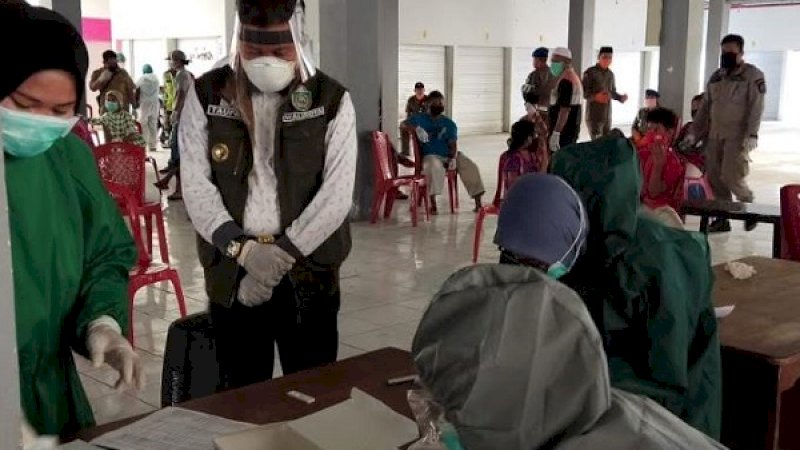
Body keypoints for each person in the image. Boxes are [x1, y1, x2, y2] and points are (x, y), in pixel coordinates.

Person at [412, 175, 725, 450]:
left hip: (667, 395)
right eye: (509, 255)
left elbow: (669, 371)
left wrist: (577, 386)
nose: (524, 271)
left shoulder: (654, 263)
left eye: (535, 265)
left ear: (572, 243)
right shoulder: (562, 246)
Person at [181, 0, 356, 390]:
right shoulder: (208, 95)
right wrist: (243, 251)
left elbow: (336, 195)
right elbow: (195, 187)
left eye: (279, 52)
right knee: (241, 391)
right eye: (254, 51)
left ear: (299, 39)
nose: (265, 61)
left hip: (309, 272)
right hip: (232, 271)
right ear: (239, 40)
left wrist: (281, 256)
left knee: (313, 388)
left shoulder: (330, 100)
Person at [1, 2, 141, 438]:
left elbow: (105, 251)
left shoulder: (68, 156)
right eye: (25, 104)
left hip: (50, 398)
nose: (40, 124)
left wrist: (103, 322)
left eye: (61, 111)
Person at [551, 136, 722, 438]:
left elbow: (668, 371)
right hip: (607, 415)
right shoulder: (584, 247)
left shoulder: (661, 257)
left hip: (668, 425)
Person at [691, 34, 765, 233]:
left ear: (741, 53)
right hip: (715, 135)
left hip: (737, 136)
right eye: (723, 52)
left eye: (731, 52)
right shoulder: (716, 77)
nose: (726, 56)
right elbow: (705, 108)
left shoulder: (752, 76)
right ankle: (722, 218)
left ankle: (750, 208)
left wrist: (752, 134)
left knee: (731, 176)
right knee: (714, 177)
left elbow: (756, 107)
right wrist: (694, 133)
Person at [404, 91, 485, 213]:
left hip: (448, 155)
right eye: (434, 103)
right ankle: (433, 203)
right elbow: (403, 124)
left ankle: (478, 203)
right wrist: (416, 128)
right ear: (427, 104)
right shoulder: (419, 118)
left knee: (470, 166)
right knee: (433, 167)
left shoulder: (449, 123)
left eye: (440, 103)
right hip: (431, 155)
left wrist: (452, 158)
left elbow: (453, 143)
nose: (438, 105)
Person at [635, 107, 686, 228]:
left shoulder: (673, 162)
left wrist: (658, 166)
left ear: (669, 133)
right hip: (640, 207)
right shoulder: (641, 154)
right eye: (649, 129)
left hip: (662, 209)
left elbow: (654, 193)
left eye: (656, 130)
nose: (651, 134)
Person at [155, 50, 193, 200]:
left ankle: (178, 189)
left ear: (176, 61)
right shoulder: (187, 75)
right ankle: (169, 181)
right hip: (186, 116)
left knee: (178, 155)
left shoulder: (181, 76)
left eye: (171, 60)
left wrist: (175, 113)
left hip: (182, 117)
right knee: (178, 154)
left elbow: (180, 95)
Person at [583, 46, 628, 140]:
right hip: (594, 116)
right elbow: (584, 92)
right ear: (599, 57)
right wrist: (596, 97)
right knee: (597, 143)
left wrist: (620, 98)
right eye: (604, 57)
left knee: (607, 143)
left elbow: (612, 92)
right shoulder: (590, 72)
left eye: (610, 58)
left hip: (607, 116)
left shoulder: (610, 74)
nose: (607, 60)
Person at [548, 47, 583, 152]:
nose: (553, 64)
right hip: (570, 130)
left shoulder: (566, 81)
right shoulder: (572, 77)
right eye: (552, 61)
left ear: (567, 62)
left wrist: (556, 133)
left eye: (556, 61)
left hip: (564, 132)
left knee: (560, 162)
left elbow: (564, 110)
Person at [503, 119, 548, 190]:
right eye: (534, 135)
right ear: (528, 138)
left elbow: (542, 175)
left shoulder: (531, 155)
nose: (535, 138)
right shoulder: (514, 159)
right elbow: (513, 187)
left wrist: (544, 150)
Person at [89, 49, 136, 114]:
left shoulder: (123, 73)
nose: (114, 65)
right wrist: (100, 79)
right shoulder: (98, 73)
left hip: (123, 110)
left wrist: (134, 106)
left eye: (115, 62)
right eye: (110, 63)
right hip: (106, 110)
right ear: (104, 62)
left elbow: (130, 90)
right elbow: (92, 88)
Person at [676, 94, 707, 171]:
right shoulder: (687, 128)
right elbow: (677, 149)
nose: (695, 115)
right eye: (693, 111)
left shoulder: (715, 133)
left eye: (698, 111)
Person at [521, 47, 555, 113]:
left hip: (545, 109)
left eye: (534, 60)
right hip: (538, 109)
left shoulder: (552, 74)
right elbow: (526, 92)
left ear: (540, 60)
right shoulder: (533, 75)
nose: (533, 62)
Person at [136, 64, 160, 152]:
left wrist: (135, 102)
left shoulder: (142, 79)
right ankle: (153, 145)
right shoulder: (156, 79)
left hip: (144, 104)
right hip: (155, 103)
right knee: (153, 124)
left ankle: (144, 143)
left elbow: (136, 89)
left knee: (143, 124)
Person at [401, 81, 427, 156]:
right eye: (418, 90)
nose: (419, 91)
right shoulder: (411, 100)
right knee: (403, 125)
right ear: (414, 91)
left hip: (425, 121)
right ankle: (405, 151)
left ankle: (424, 151)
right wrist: (408, 123)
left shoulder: (428, 100)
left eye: (421, 89)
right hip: (414, 121)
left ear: (424, 90)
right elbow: (408, 113)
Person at [160, 67, 178, 145]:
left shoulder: (181, 75)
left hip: (178, 104)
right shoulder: (166, 74)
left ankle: (173, 141)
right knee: (167, 123)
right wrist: (164, 101)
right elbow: (165, 90)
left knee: (176, 124)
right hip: (168, 104)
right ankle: (167, 139)